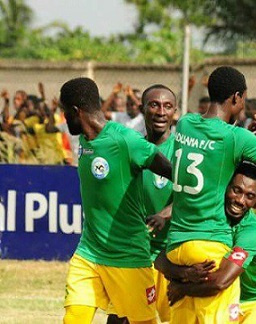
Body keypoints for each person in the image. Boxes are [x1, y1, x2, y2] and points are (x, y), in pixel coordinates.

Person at [165, 66, 256, 324]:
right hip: (209, 244)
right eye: (244, 99)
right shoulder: (238, 137)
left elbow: (214, 148)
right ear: (236, 97)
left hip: (176, 247)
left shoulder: (185, 124)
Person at [60, 77, 172, 324]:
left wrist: (170, 210)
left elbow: (176, 175)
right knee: (74, 317)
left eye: (65, 113)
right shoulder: (86, 140)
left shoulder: (126, 140)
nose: (64, 119)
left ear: (76, 112)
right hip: (89, 252)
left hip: (128, 257)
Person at [156, 163, 256, 324]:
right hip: (219, 299)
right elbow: (160, 258)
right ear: (225, 187)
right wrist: (186, 273)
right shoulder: (208, 216)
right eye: (236, 190)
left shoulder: (252, 232)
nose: (240, 200)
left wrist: (181, 288)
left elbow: (221, 282)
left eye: (250, 196)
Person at [107, 84, 178, 324]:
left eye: (167, 106)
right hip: (136, 251)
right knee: (119, 318)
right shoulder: (132, 148)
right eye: (154, 105)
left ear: (175, 112)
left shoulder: (183, 150)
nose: (160, 111)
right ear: (141, 109)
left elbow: (195, 193)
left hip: (173, 252)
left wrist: (165, 214)